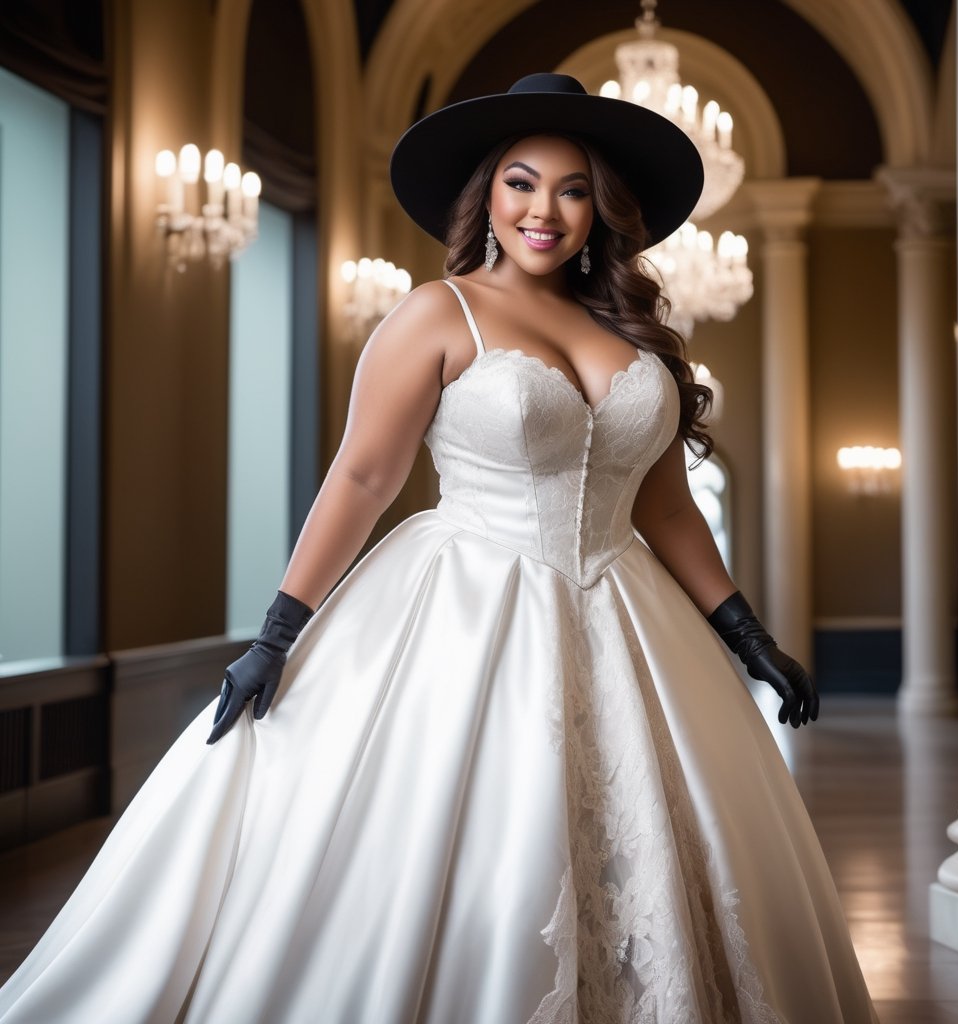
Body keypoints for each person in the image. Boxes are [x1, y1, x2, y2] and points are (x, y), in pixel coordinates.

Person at [0, 74, 878, 1023]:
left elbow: (665, 511)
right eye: (522, 183)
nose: (546, 210)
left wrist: (746, 634)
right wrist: (275, 636)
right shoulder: (435, 311)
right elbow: (362, 480)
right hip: (467, 607)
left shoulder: (634, 337)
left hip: (631, 613)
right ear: (486, 198)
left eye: (574, 189)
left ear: (603, 209)